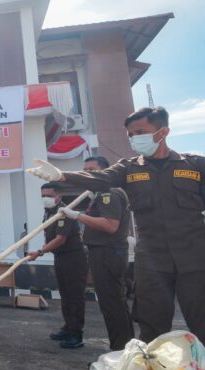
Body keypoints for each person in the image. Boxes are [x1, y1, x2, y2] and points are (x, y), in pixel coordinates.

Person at [28, 107, 205, 342]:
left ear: (163, 132)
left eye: (140, 132)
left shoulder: (195, 166)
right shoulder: (128, 168)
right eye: (131, 134)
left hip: (194, 258)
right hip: (152, 261)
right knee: (152, 325)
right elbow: (100, 178)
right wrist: (63, 176)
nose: (134, 139)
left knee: (201, 322)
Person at [59, 156, 134, 351]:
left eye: (92, 170)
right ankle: (122, 349)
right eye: (86, 170)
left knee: (112, 304)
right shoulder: (99, 195)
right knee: (112, 303)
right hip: (102, 252)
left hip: (108, 253)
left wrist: (78, 216)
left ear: (104, 172)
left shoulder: (108, 192)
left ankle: (120, 352)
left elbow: (110, 226)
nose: (88, 174)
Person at [26, 183, 88, 349]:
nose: (45, 199)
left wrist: (40, 252)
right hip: (60, 257)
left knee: (74, 296)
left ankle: (76, 334)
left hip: (73, 258)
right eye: (43, 195)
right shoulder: (49, 212)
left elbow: (60, 239)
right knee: (65, 295)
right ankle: (68, 327)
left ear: (58, 196)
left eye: (49, 195)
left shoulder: (63, 213)